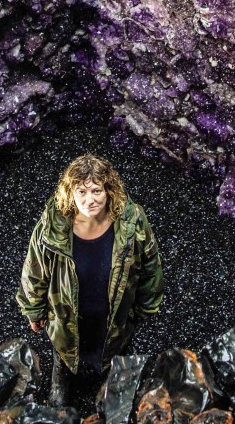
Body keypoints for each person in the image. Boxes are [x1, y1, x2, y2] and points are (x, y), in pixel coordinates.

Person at [15, 153, 164, 408]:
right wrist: (33, 309)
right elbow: (35, 269)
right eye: (81, 192)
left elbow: (151, 263)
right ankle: (61, 379)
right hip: (66, 313)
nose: (89, 199)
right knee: (64, 347)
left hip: (115, 313)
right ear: (70, 193)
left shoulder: (132, 220)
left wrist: (145, 306)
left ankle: (115, 386)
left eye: (96, 190)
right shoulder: (52, 225)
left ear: (109, 190)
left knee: (117, 346)